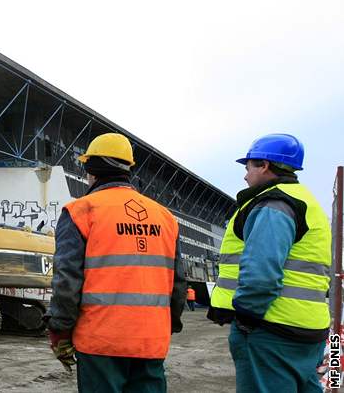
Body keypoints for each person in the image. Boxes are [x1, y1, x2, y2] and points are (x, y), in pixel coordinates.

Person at [45, 133, 187, 392]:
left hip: (100, 342)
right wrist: (170, 323)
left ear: (91, 170)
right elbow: (178, 282)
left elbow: (66, 279)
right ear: (128, 169)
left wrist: (60, 329)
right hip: (151, 340)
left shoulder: (81, 211)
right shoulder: (165, 217)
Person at [207, 133, 331, 392]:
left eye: (248, 166)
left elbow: (261, 275)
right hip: (308, 329)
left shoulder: (274, 204)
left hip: (272, 331)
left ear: (264, 165)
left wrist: (246, 318)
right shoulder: (307, 202)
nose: (245, 175)